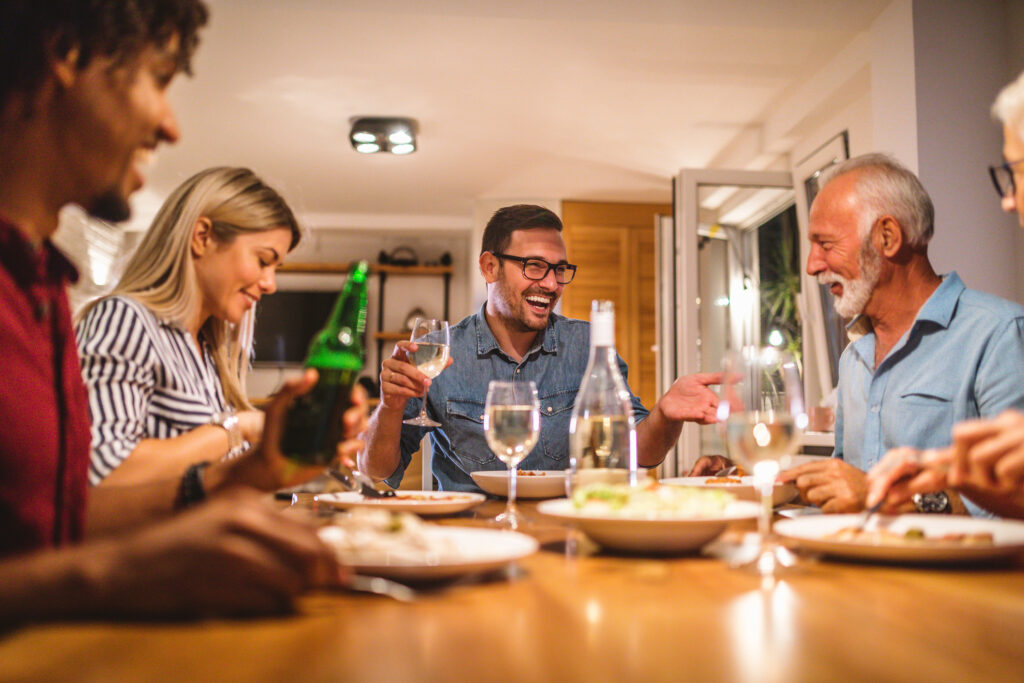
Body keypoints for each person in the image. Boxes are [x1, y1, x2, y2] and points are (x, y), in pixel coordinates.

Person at [0, 0, 361, 622]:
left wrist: (254, 469)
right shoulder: (118, 317)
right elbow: (101, 492)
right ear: (64, 53)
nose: (171, 127)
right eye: (158, 78)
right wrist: (116, 573)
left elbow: (64, 517)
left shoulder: (45, 292)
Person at [359, 204, 725, 492]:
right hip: (472, 536)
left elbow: (638, 453)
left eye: (559, 269)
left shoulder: (586, 346)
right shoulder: (437, 354)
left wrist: (665, 415)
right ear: (489, 266)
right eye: (534, 266)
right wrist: (389, 407)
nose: (551, 284)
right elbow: (377, 470)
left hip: (565, 534)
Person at [776, 153, 1024, 514]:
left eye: (826, 245)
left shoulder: (999, 334)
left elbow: (1016, 498)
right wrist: (746, 479)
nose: (812, 266)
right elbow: (846, 488)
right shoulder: (853, 357)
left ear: (888, 237)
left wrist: (895, 499)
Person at [77, 166, 301, 486]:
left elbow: (204, 480)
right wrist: (240, 427)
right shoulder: (126, 319)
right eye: (263, 261)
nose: (270, 284)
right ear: (202, 237)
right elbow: (101, 471)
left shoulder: (208, 352)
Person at [865, 70, 1024, 519]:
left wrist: (916, 499)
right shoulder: (853, 355)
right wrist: (948, 473)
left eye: (1014, 171)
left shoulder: (1000, 330)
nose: (1008, 200)